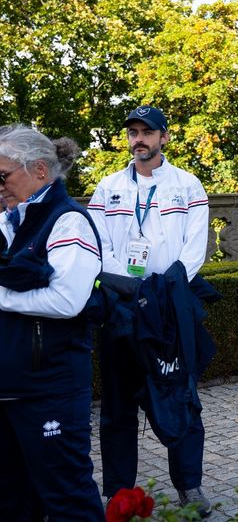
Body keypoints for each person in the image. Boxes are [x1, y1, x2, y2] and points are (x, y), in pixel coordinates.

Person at [88, 106, 212, 512]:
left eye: (147, 132)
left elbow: (195, 247)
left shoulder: (187, 185)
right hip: (122, 306)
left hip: (171, 307)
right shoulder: (107, 187)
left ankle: (189, 486)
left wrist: (162, 290)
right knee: (117, 404)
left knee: (180, 395)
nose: (139, 139)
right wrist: (130, 287)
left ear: (164, 137)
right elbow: (99, 245)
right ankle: (119, 493)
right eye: (133, 132)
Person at [0, 126, 104, 519]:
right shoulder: (11, 219)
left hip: (49, 388)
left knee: (66, 497)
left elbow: (67, 300)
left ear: (40, 170)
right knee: (11, 500)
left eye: (3, 176)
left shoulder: (69, 221)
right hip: (10, 386)